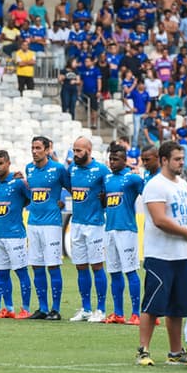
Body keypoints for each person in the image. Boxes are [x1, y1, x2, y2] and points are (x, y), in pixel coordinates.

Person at [137, 141, 187, 367]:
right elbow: (160, 220)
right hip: (160, 256)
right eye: (177, 159)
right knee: (152, 305)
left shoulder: (183, 184)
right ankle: (142, 350)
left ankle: (175, 352)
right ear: (164, 160)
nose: (181, 163)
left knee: (177, 307)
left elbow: (186, 213)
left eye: (182, 159)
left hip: (181, 255)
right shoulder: (155, 185)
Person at [24, 136, 70, 321]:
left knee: (53, 266)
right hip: (33, 223)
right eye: (32, 147)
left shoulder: (58, 169)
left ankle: (55, 309)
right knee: (37, 266)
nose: (35, 151)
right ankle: (42, 308)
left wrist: (61, 203)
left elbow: (72, 187)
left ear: (47, 149)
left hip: (51, 224)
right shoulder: (29, 169)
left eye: (38, 148)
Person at [68, 137, 110, 323]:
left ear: (89, 151)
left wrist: (103, 200)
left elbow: (111, 192)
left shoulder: (101, 170)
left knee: (97, 266)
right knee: (80, 267)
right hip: (76, 223)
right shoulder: (72, 169)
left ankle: (100, 309)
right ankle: (86, 308)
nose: (76, 154)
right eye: (74, 150)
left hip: (95, 225)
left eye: (79, 151)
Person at [0, 150, 31, 319]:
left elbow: (30, 198)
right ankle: (9, 308)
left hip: (16, 235)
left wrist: (25, 182)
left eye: (0, 164)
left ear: (8, 163)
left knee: (21, 271)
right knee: (2, 273)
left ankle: (25, 308)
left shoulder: (18, 182)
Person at [104, 146, 144, 326]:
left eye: (116, 159)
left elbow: (149, 195)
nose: (112, 162)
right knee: (114, 272)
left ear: (125, 160)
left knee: (130, 270)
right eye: (110, 159)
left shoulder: (133, 178)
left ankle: (136, 314)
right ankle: (118, 313)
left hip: (126, 230)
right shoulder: (107, 178)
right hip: (109, 229)